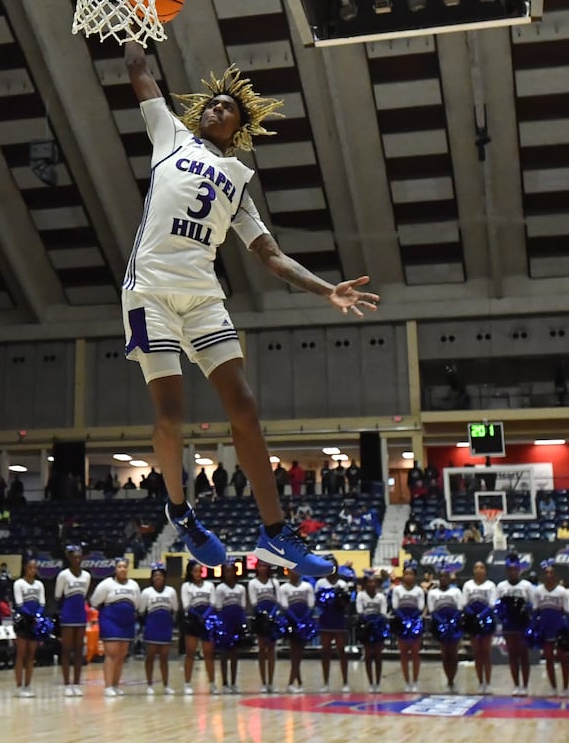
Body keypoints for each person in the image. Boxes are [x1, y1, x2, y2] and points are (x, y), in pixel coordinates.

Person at [121, 41, 378, 576]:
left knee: (244, 406)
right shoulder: (169, 135)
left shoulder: (238, 182)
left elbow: (273, 257)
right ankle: (180, 512)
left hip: (202, 297)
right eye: (212, 103)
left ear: (237, 128)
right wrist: (135, 21)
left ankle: (277, 534)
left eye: (227, 108)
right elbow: (138, 70)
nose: (217, 108)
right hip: (150, 291)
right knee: (170, 417)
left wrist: (325, 289)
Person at [90, 559, 140, 698]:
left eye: (125, 566)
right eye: (119, 567)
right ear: (115, 569)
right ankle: (108, 686)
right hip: (110, 620)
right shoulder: (106, 584)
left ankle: (116, 685)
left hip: (127, 622)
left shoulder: (134, 585)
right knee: (111, 654)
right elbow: (95, 601)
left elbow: (137, 604)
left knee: (121, 655)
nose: (122, 569)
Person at [494, 555, 535, 696]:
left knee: (524, 655)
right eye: (510, 570)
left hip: (522, 625)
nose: (513, 572)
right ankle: (516, 685)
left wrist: (524, 611)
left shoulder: (527, 586)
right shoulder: (501, 586)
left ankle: (526, 685)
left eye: (515, 569)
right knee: (512, 655)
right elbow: (497, 606)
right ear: (507, 571)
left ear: (519, 570)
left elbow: (532, 605)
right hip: (509, 626)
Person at [53, 546, 91, 696]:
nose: (77, 559)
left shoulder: (87, 576)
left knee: (79, 649)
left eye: (79, 557)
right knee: (66, 649)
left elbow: (85, 594)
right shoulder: (63, 575)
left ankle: (76, 683)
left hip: (81, 614)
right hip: (68, 613)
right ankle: (67, 684)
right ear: (69, 558)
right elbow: (57, 595)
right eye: (74, 557)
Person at [531, 563, 569, 698]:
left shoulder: (562, 591)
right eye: (546, 573)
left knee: (563, 658)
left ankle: (565, 687)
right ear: (543, 576)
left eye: (551, 573)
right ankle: (553, 687)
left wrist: (568, 629)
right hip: (545, 628)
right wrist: (535, 627)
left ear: (555, 576)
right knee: (548, 658)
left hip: (559, 628)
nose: (548, 575)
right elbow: (535, 611)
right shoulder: (538, 591)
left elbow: (567, 612)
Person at [138, 564, 178, 695]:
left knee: (164, 658)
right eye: (155, 575)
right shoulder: (146, 592)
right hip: (151, 626)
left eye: (160, 575)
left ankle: (166, 685)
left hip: (165, 626)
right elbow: (141, 610)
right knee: (150, 657)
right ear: (152, 578)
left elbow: (175, 609)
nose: (158, 578)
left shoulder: (171, 591)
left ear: (164, 577)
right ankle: (149, 685)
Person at [179, 562, 216, 695]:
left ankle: (212, 683)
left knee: (208, 654)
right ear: (190, 572)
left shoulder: (209, 585)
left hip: (206, 622)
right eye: (195, 571)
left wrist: (205, 616)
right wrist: (198, 616)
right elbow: (186, 605)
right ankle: (187, 684)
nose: (198, 574)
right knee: (190, 654)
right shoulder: (186, 586)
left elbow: (212, 603)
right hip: (192, 622)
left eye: (200, 571)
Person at [11, 559, 46, 698]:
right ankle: (19, 686)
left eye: (35, 568)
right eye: (30, 567)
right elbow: (19, 604)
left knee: (31, 655)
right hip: (23, 621)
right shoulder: (18, 583)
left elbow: (42, 603)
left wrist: (37, 616)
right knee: (21, 654)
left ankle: (28, 685)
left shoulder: (39, 584)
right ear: (25, 568)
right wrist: (31, 615)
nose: (33, 570)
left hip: (34, 622)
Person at [461, 559, 497, 695]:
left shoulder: (491, 585)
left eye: (481, 567)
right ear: (473, 570)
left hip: (486, 619)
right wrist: (473, 616)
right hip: (472, 621)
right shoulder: (467, 585)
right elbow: (464, 603)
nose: (478, 570)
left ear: (485, 571)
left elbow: (492, 604)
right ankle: (480, 682)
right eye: (476, 567)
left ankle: (488, 683)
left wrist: (481, 616)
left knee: (486, 652)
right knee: (477, 653)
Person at [314, 566, 352, 693]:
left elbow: (346, 604)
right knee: (325, 651)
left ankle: (345, 682)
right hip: (325, 619)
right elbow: (318, 602)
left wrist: (340, 598)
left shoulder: (343, 584)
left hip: (339, 620)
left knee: (342, 651)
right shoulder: (320, 583)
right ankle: (325, 683)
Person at [211, 565, 248, 695]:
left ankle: (234, 683)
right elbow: (219, 608)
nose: (229, 573)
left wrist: (243, 624)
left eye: (231, 571)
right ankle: (225, 683)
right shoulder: (220, 588)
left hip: (237, 621)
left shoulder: (241, 588)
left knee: (234, 654)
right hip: (224, 622)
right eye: (227, 571)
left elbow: (243, 606)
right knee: (223, 654)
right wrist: (221, 626)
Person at [278, 570, 316, 694]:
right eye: (291, 572)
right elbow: (285, 607)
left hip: (304, 623)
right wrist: (296, 621)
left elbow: (311, 606)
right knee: (295, 653)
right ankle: (291, 683)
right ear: (287, 573)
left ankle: (298, 682)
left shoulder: (307, 586)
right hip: (291, 623)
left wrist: (303, 621)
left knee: (298, 653)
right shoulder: (283, 588)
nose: (294, 574)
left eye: (296, 571)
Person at [426, 567, 464, 693]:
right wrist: (442, 622)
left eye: (445, 576)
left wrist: (452, 622)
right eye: (441, 576)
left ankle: (453, 680)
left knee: (453, 654)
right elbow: (432, 610)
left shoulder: (456, 592)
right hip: (440, 626)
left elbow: (459, 609)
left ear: (449, 578)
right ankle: (448, 680)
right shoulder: (432, 593)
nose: (443, 578)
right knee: (445, 654)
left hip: (454, 626)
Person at [390, 563, 426, 693]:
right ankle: (407, 682)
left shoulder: (419, 591)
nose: (409, 576)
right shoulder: (397, 590)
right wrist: (404, 619)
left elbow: (420, 607)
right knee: (404, 654)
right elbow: (395, 606)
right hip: (401, 622)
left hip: (415, 622)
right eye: (406, 574)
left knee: (415, 653)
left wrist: (411, 619)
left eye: (411, 574)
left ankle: (415, 681)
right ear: (403, 576)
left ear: (415, 576)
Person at [247, 561, 281, 694]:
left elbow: (278, 601)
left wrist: (271, 615)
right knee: (262, 650)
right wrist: (264, 615)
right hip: (260, 619)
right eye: (260, 566)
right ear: (256, 568)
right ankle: (263, 682)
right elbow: (254, 602)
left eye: (264, 566)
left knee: (271, 650)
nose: (262, 568)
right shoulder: (252, 583)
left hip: (272, 619)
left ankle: (271, 682)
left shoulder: (274, 582)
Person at [354, 572, 389, 692]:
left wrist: (376, 622)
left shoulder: (381, 597)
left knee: (378, 656)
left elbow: (383, 613)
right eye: (369, 582)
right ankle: (370, 683)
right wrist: (368, 622)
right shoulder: (361, 596)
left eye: (374, 582)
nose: (372, 584)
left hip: (378, 627)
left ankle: (378, 683)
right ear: (365, 584)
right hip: (366, 627)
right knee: (368, 655)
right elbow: (360, 612)